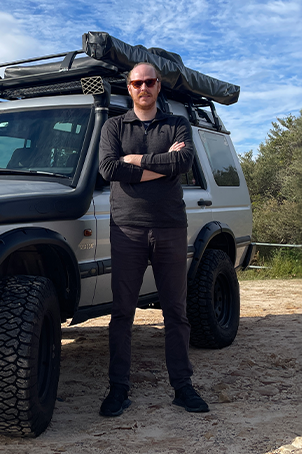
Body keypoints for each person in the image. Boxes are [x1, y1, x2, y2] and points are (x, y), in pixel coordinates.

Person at [95, 62, 209, 417]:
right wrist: (162, 165)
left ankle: (183, 387)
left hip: (170, 227)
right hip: (127, 228)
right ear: (128, 88)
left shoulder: (177, 123)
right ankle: (118, 389)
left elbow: (185, 161)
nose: (143, 87)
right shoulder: (114, 125)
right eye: (136, 82)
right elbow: (109, 169)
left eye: (149, 82)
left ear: (158, 86)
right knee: (122, 313)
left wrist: (138, 161)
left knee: (176, 311)